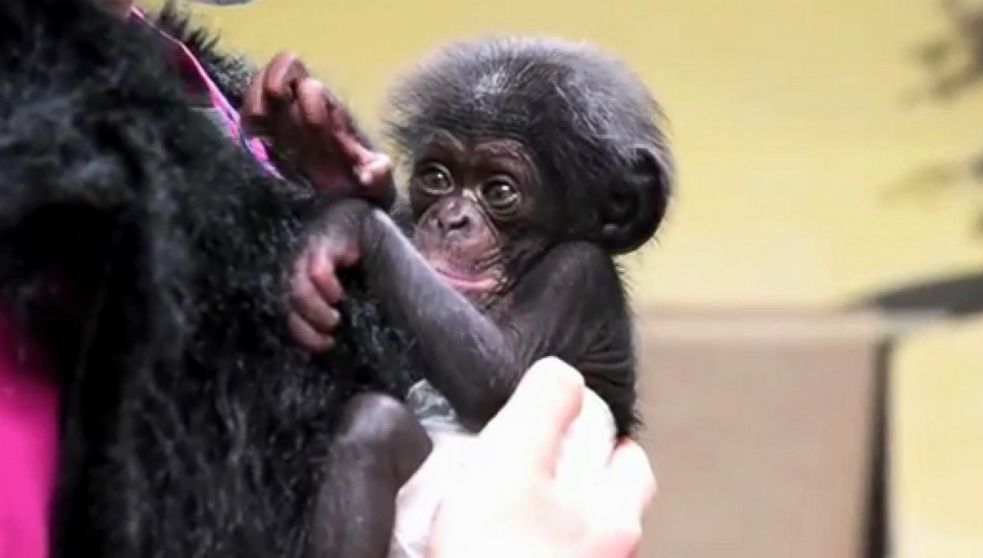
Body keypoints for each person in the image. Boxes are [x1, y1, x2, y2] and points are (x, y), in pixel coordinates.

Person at [0, 1, 656, 557]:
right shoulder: (44, 148)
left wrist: (345, 213)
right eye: (436, 179)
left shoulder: (188, 92)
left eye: (501, 190)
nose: (453, 217)